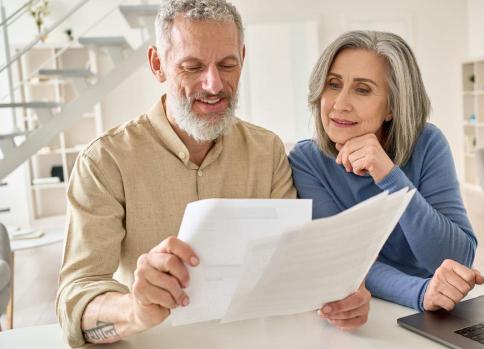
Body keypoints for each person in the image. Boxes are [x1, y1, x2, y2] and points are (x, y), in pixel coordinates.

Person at [56, 1, 365, 347]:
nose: (214, 84)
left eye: (227, 65)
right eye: (193, 66)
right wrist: (135, 310)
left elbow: (291, 267)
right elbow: (76, 298)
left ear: (243, 59)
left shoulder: (268, 151)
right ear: (158, 64)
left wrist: (339, 294)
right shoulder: (105, 160)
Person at [288, 30, 484, 319]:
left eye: (362, 89)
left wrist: (391, 176)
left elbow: (458, 258)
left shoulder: (427, 143)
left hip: (434, 309)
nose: (340, 103)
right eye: (333, 84)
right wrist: (420, 292)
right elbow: (345, 260)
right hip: (364, 308)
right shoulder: (307, 160)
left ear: (392, 106)